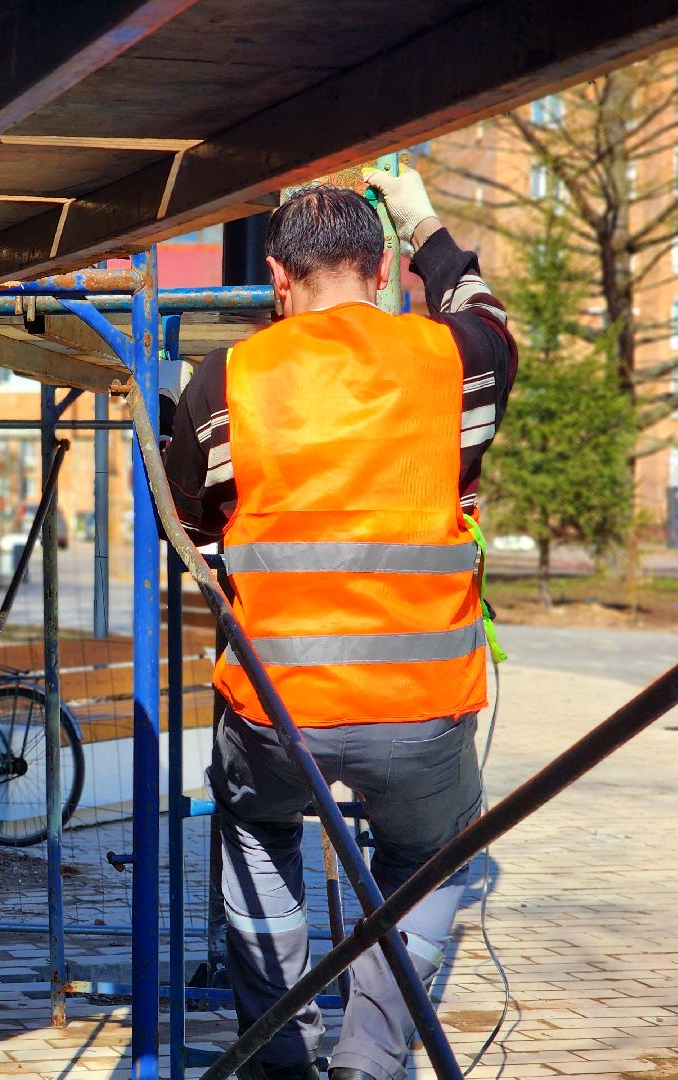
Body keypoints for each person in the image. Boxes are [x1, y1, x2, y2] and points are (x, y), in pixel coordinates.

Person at [161, 168, 518, 1080]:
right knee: (434, 851)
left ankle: (280, 1054)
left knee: (252, 827)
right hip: (423, 710)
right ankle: (371, 1049)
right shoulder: (452, 359)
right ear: (382, 266)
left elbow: (194, 526)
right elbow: (489, 316)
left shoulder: (227, 379)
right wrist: (424, 218)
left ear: (280, 279)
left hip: (279, 711)